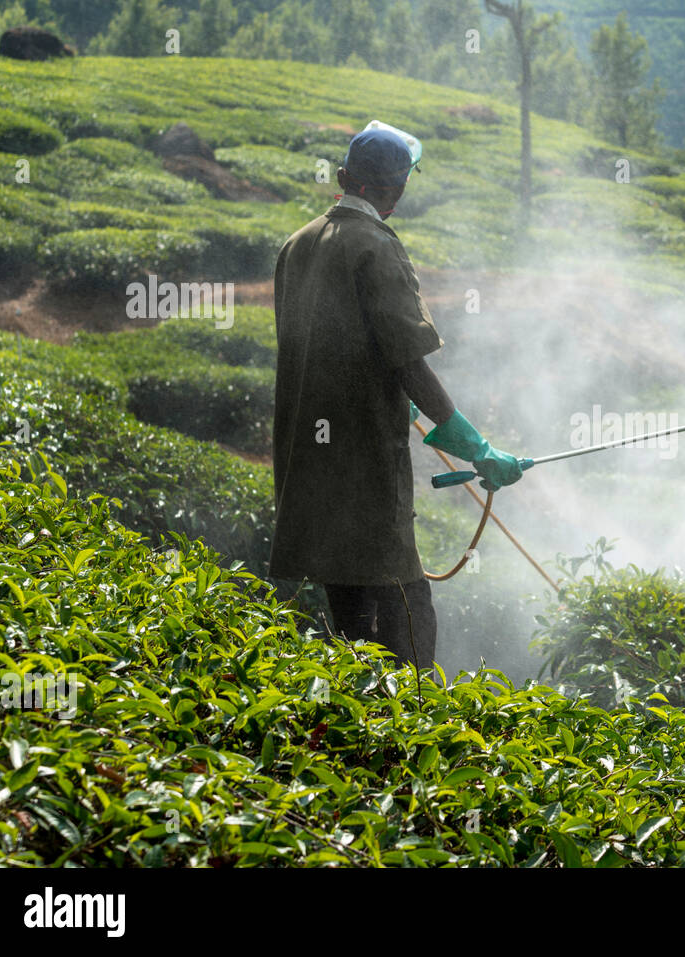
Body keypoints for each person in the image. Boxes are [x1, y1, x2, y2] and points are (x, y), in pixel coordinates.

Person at [269, 120, 523, 672]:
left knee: (350, 609)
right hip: (362, 464)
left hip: (307, 460)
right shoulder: (377, 246)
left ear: (342, 178)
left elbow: (325, 344)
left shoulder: (296, 245)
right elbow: (409, 361)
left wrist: (379, 388)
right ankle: (418, 727)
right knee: (409, 603)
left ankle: (362, 730)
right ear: (399, 190)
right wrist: (474, 446)